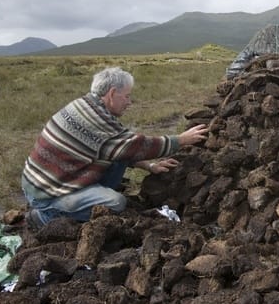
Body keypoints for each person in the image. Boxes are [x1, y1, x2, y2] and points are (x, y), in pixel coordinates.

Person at [21, 66, 209, 228]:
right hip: (46, 193)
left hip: (47, 180)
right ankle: (44, 217)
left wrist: (149, 166)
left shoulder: (84, 105)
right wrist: (181, 140)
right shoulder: (97, 123)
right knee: (116, 203)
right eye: (127, 96)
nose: (129, 102)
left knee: (117, 161)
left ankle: (84, 198)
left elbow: (122, 148)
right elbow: (140, 145)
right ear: (111, 94)